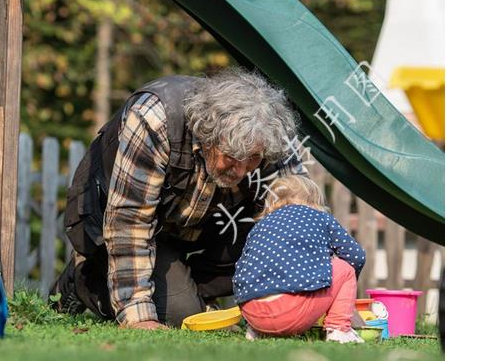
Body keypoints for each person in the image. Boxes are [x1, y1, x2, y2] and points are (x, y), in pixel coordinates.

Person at [51, 67, 307, 329]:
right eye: (232, 156)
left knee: (274, 227)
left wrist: (312, 296)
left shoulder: (270, 130)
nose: (242, 171)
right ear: (208, 135)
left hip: (195, 227)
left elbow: (301, 215)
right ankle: (84, 277)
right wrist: (139, 317)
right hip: (118, 222)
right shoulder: (155, 118)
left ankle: (192, 293)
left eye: (253, 158)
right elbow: (130, 221)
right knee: (180, 313)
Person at [233, 175, 366, 343]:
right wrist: (345, 295)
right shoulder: (320, 218)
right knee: (345, 269)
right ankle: (339, 329)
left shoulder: (261, 225)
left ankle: (257, 331)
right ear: (314, 200)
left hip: (252, 314)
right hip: (291, 315)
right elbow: (356, 256)